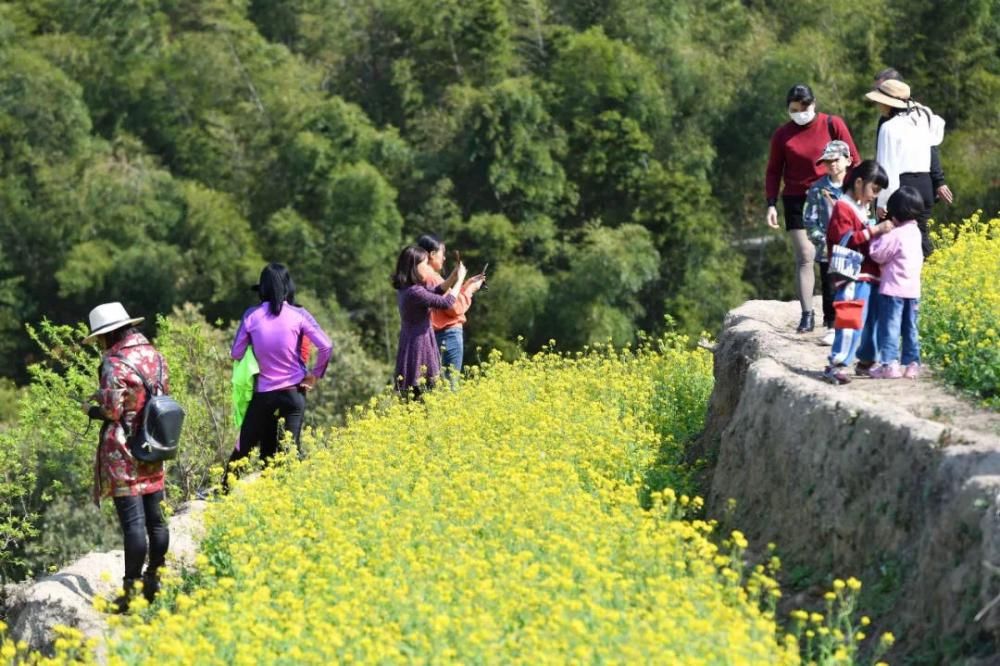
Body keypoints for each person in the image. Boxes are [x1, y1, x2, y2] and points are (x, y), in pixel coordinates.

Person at [83, 302, 170, 610]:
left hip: (123, 449)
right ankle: (154, 582)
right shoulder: (155, 355)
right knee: (156, 521)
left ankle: (130, 595)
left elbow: (113, 411)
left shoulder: (113, 363)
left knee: (133, 523)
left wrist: (90, 409)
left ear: (109, 334)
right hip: (153, 442)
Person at [765, 84, 860, 333]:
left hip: (832, 195)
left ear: (813, 103)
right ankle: (807, 313)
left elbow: (854, 159)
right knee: (805, 256)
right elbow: (774, 171)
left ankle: (839, 319)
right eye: (794, 109)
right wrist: (771, 203)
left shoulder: (832, 124)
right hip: (797, 198)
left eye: (804, 107)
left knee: (835, 255)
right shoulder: (782, 135)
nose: (800, 112)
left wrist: (857, 194)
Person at [225, 263, 332, 482]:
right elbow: (326, 346)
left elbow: (236, 353)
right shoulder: (299, 314)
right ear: (287, 287)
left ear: (262, 289)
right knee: (290, 450)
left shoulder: (251, 316)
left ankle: (223, 490)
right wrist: (314, 375)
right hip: (294, 393)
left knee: (244, 446)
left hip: (264, 394)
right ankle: (292, 496)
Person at [823, 160, 894, 385]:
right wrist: (875, 230)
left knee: (870, 321)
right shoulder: (843, 208)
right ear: (859, 182)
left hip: (869, 275)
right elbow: (844, 239)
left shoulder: (862, 209)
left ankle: (865, 360)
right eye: (874, 189)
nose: (875, 195)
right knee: (850, 319)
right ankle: (836, 364)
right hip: (852, 275)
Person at [873, 68, 953, 255]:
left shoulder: (889, 127)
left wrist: (881, 203)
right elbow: (934, 142)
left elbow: (887, 168)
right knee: (920, 236)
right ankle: (931, 275)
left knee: (897, 241)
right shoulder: (923, 116)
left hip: (903, 188)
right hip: (925, 186)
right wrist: (938, 180)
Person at [392, 245, 472, 396]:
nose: (428, 268)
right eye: (424, 264)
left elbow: (435, 293)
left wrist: (452, 277)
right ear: (414, 267)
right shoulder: (414, 292)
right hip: (418, 345)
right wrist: (460, 279)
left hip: (413, 341)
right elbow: (446, 303)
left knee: (418, 393)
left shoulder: (407, 288)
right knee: (421, 392)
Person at [868, 186, 925, 379]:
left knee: (890, 328)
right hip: (913, 290)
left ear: (895, 212)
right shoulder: (916, 232)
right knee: (911, 328)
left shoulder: (896, 234)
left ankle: (889, 364)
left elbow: (877, 254)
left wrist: (876, 235)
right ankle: (912, 364)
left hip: (893, 290)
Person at [416, 235, 486, 382]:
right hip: (447, 335)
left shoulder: (417, 277)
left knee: (434, 387)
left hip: (431, 336)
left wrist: (466, 285)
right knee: (450, 386)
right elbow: (455, 307)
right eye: (442, 253)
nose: (444, 259)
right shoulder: (433, 278)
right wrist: (470, 290)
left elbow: (447, 301)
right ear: (432, 254)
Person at [803, 140, 853, 343]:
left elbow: (867, 213)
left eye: (836, 160)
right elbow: (809, 219)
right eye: (827, 161)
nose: (832, 164)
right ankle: (831, 326)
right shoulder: (817, 189)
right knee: (830, 286)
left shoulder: (856, 186)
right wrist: (820, 239)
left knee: (851, 285)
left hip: (852, 244)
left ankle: (849, 325)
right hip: (827, 247)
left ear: (848, 160)